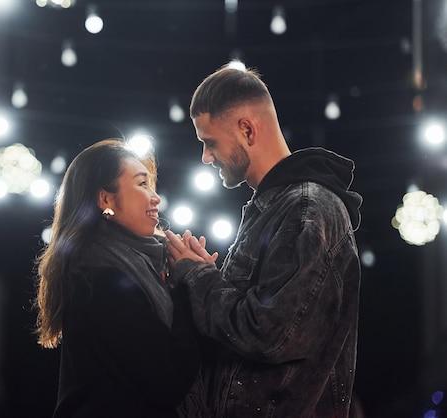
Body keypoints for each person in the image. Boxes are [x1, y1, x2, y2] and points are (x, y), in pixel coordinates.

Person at [164, 65, 363, 417]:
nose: (206, 158)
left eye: (210, 143)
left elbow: (269, 333)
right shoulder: (277, 208)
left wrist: (200, 279)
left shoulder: (306, 209)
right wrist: (212, 281)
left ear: (247, 129)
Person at [33, 139, 202, 418]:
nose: (155, 197)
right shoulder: (102, 282)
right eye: (141, 184)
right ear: (106, 200)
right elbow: (168, 380)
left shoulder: (129, 270)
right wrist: (187, 285)